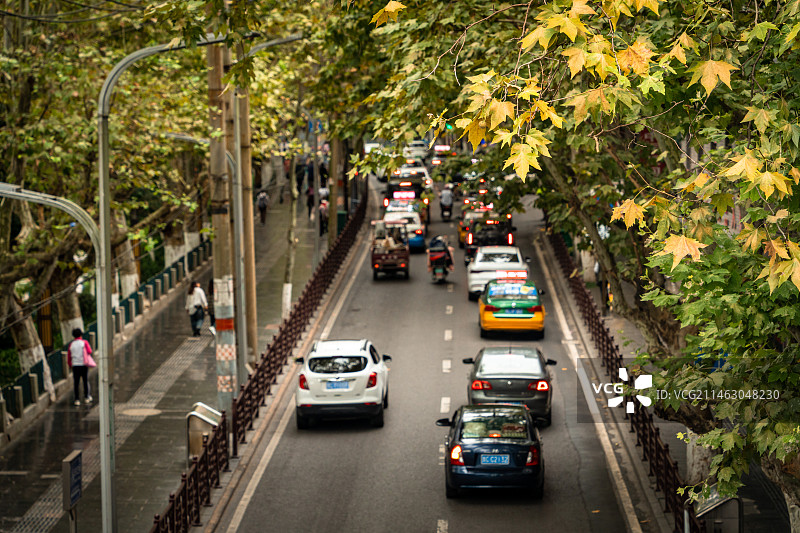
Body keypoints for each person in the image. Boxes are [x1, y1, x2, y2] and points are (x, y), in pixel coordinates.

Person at [67, 328, 93, 405]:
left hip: (75, 365)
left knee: (76, 382)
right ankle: (86, 397)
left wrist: (70, 365)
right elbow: (89, 351)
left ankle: (77, 399)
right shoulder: (84, 342)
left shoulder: (71, 345)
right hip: (83, 364)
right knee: (85, 380)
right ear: (81, 335)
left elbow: (69, 356)